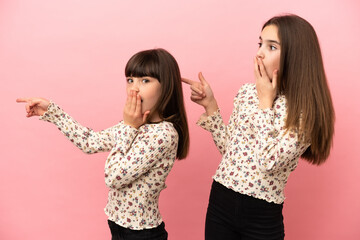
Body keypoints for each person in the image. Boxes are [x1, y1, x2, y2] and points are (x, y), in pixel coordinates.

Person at [182, 14, 334, 240]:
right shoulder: (246, 93)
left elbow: (269, 162)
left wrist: (265, 103)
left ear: (297, 55)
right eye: (260, 43)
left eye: (272, 46)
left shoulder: (305, 112)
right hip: (220, 201)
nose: (260, 52)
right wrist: (210, 105)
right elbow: (230, 151)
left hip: (262, 216)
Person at [17, 48, 189, 240]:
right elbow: (90, 142)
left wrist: (129, 127)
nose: (134, 88)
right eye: (130, 80)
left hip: (141, 233)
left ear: (166, 86)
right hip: (119, 227)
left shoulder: (163, 133)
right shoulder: (134, 124)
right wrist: (54, 113)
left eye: (145, 80)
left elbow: (114, 177)